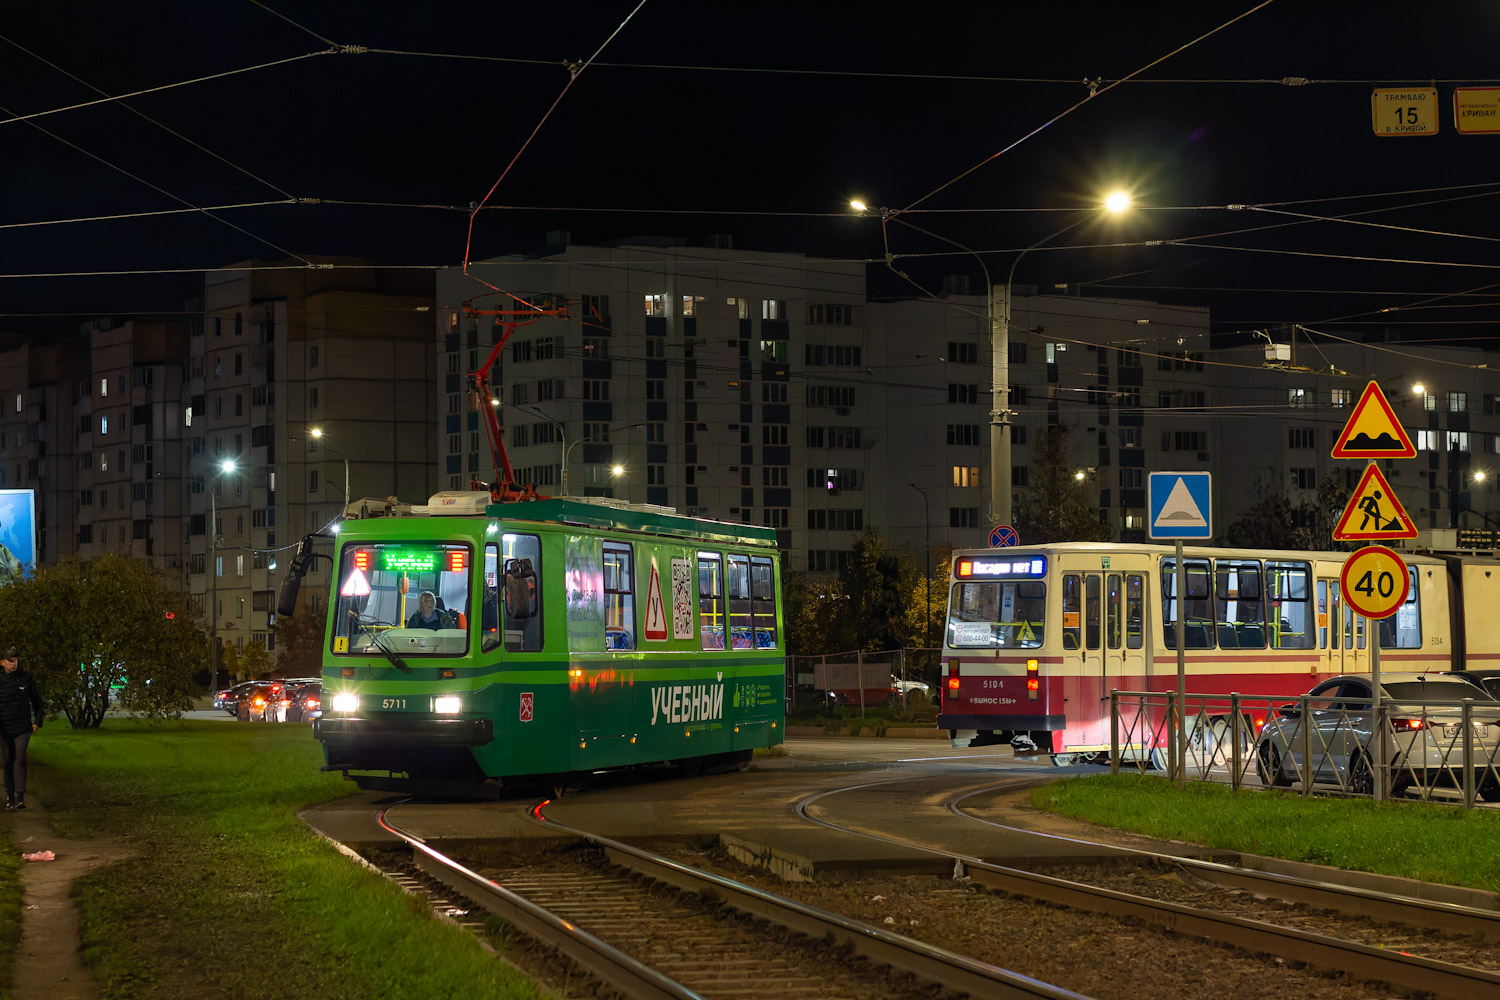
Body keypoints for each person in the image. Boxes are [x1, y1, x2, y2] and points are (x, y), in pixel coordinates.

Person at [0, 647, 44, 810]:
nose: (14, 662)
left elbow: (37, 702)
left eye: (16, 659)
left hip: (22, 726)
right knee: (8, 760)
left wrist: (37, 722)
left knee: (19, 759)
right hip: (4, 727)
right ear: (2, 662)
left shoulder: (26, 679)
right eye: (10, 660)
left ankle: (19, 797)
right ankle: (10, 798)